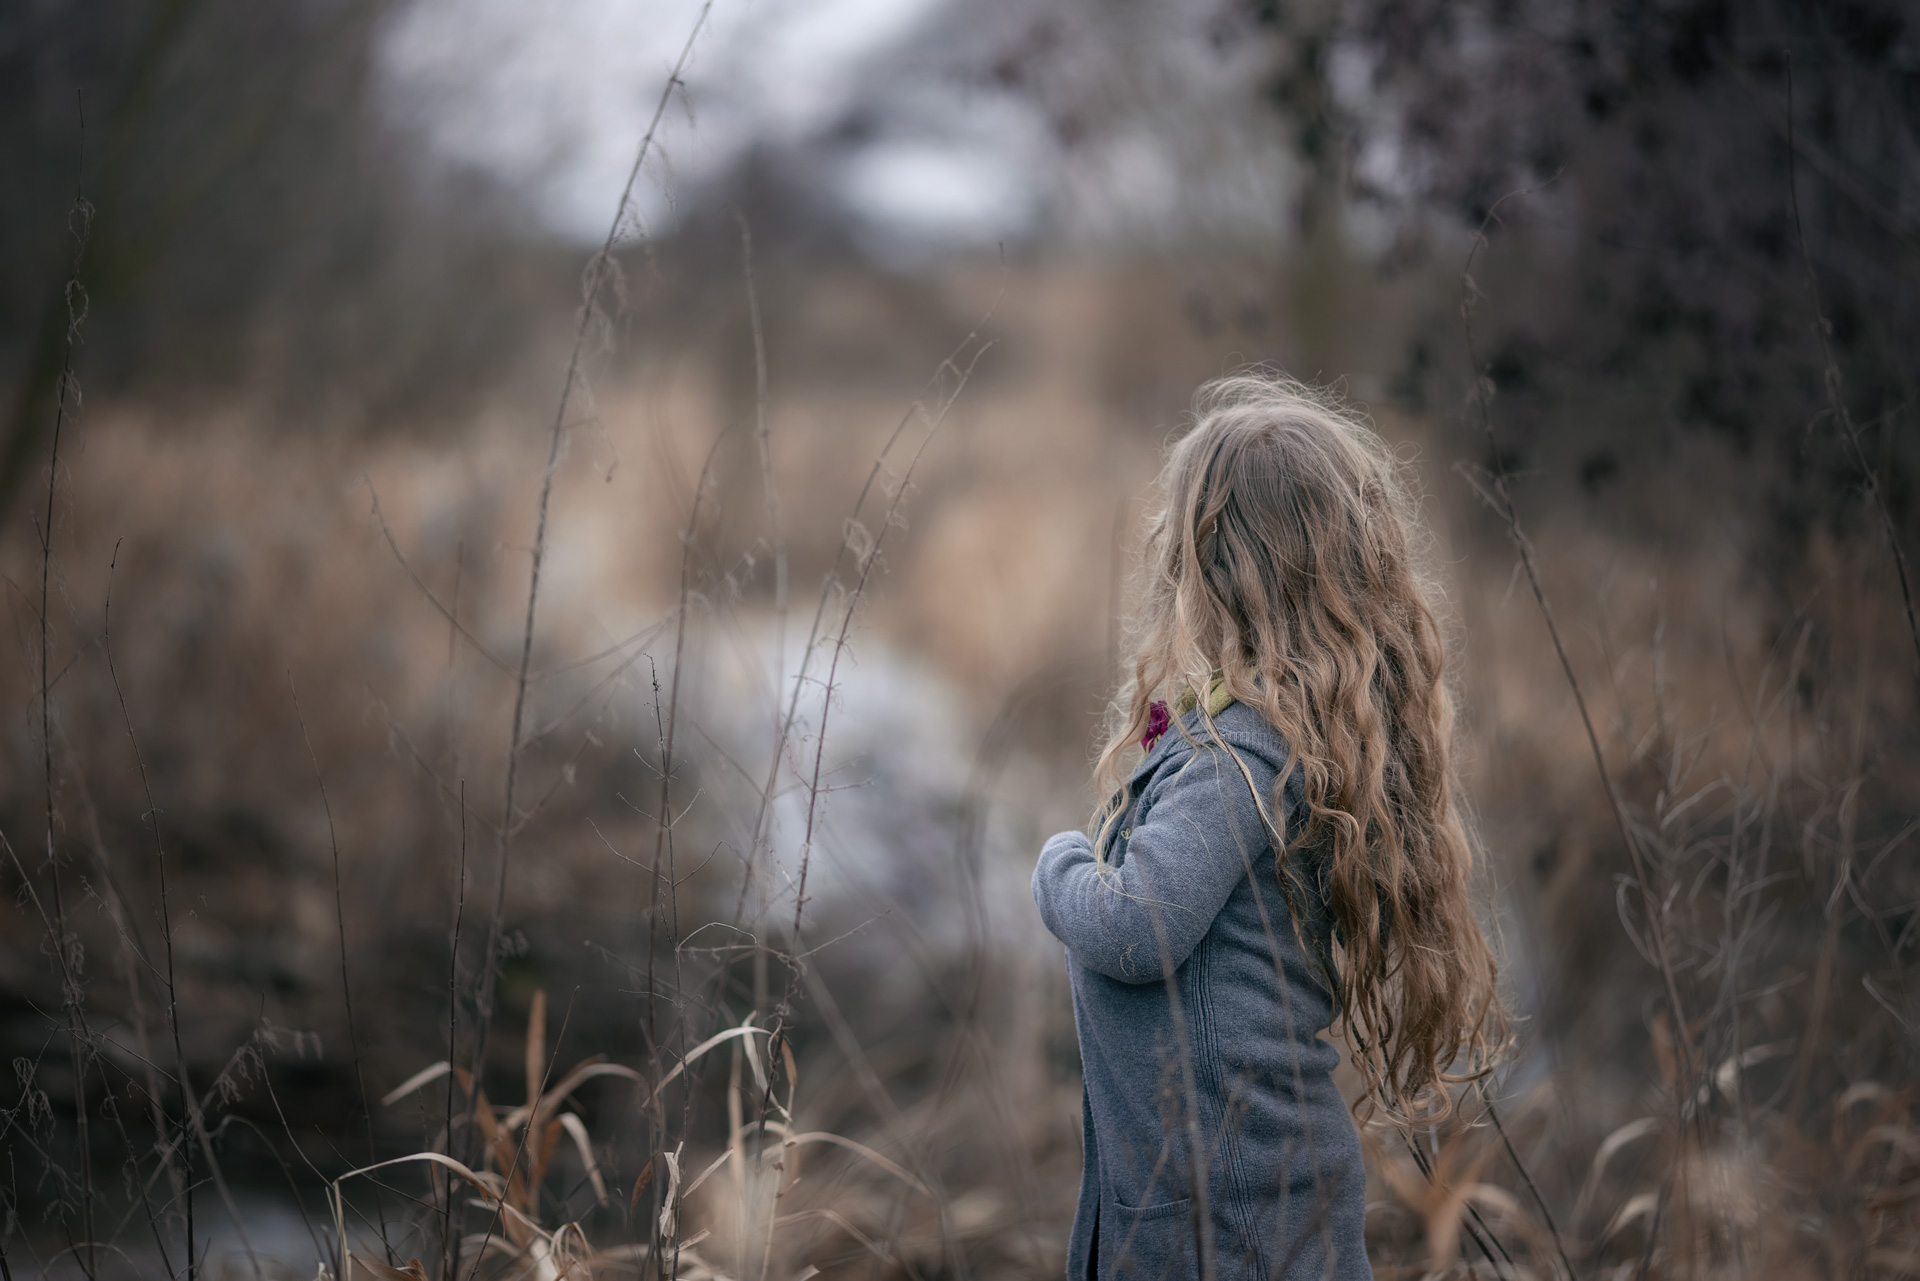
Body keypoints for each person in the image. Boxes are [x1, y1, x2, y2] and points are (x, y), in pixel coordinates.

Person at [1032, 372, 1506, 1280]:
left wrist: (1057, 864)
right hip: (1211, 1196)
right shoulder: (1254, 740)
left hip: (1233, 1217)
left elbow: (1136, 924)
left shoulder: (1239, 764)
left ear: (1212, 567)